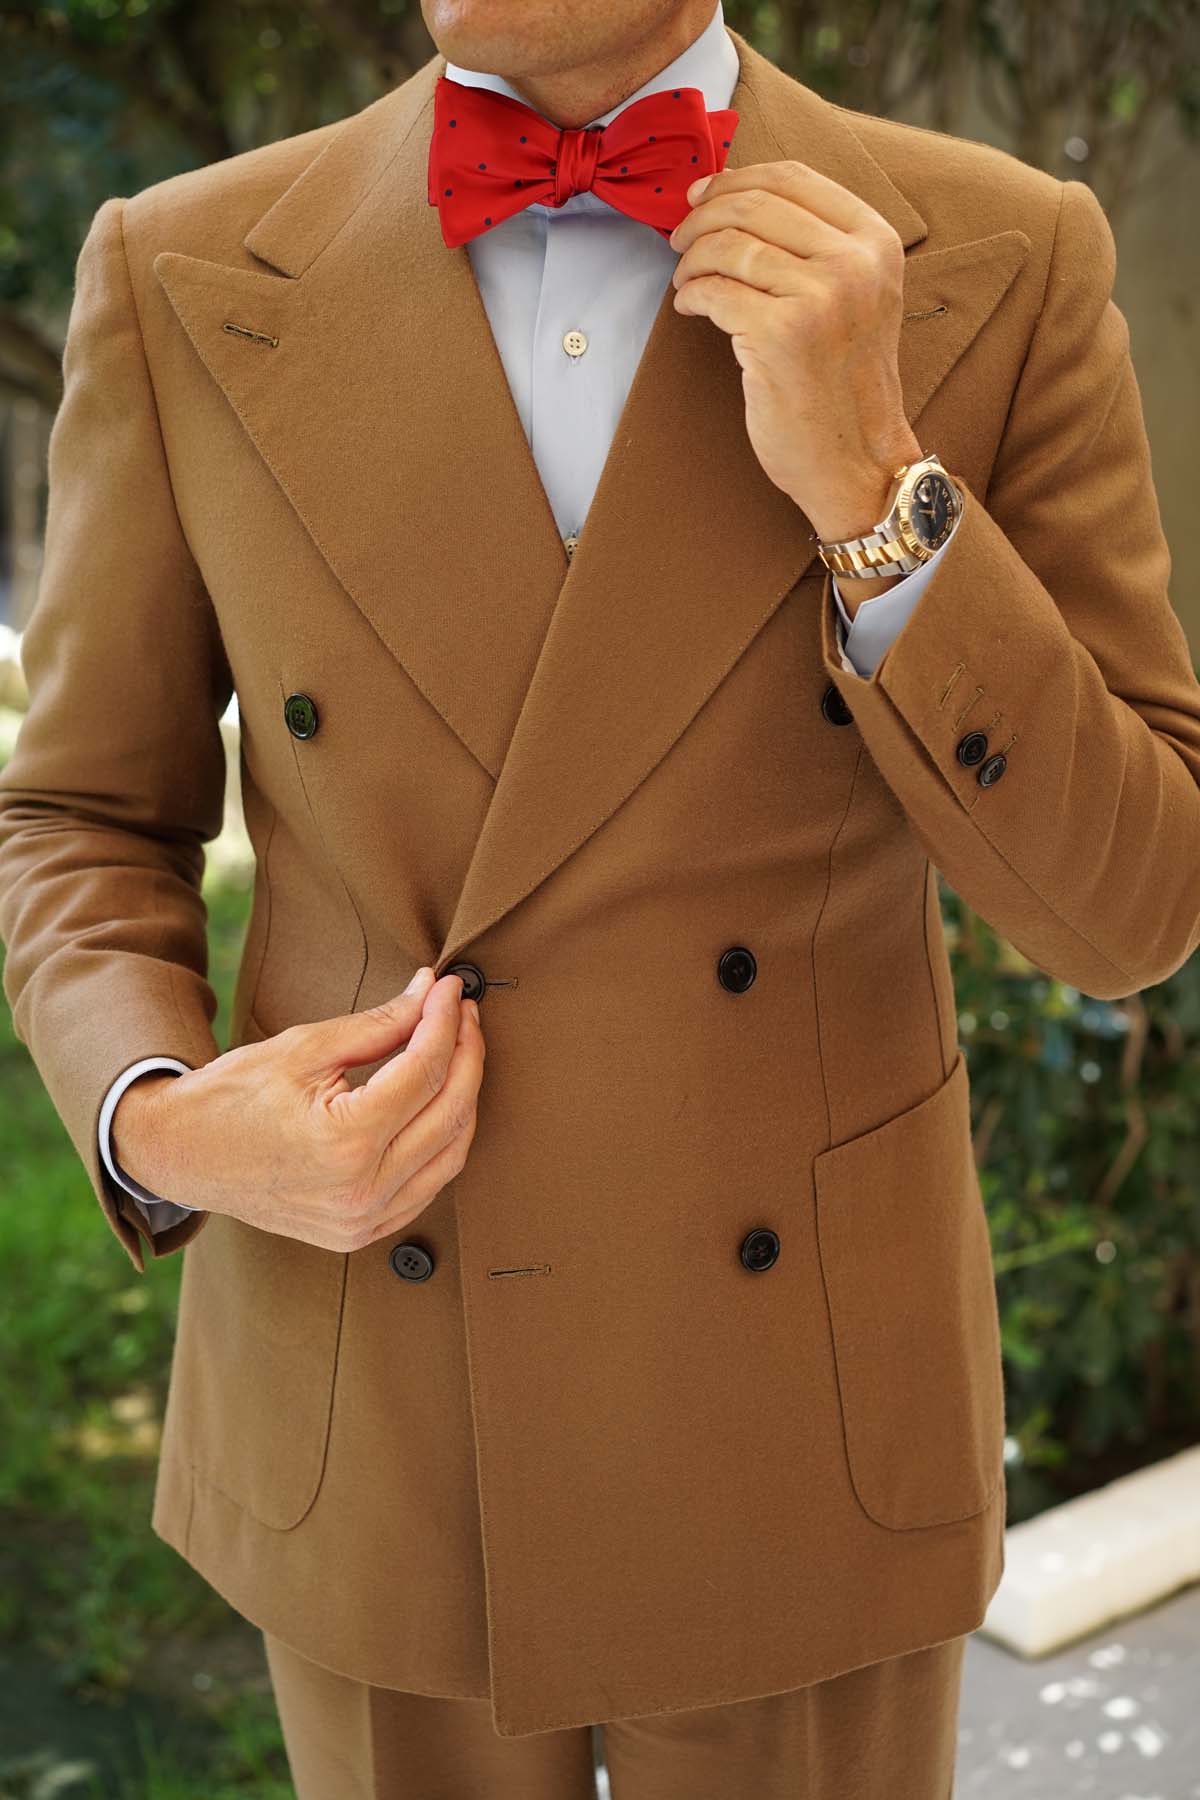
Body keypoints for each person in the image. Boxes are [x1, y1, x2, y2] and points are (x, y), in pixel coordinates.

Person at [3, 0, 1199, 1793]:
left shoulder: (999, 258)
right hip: (376, 1405)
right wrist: (163, 1123)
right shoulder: (179, 268)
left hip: (796, 1426)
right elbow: (82, 817)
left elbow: (1135, 909)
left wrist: (878, 484)